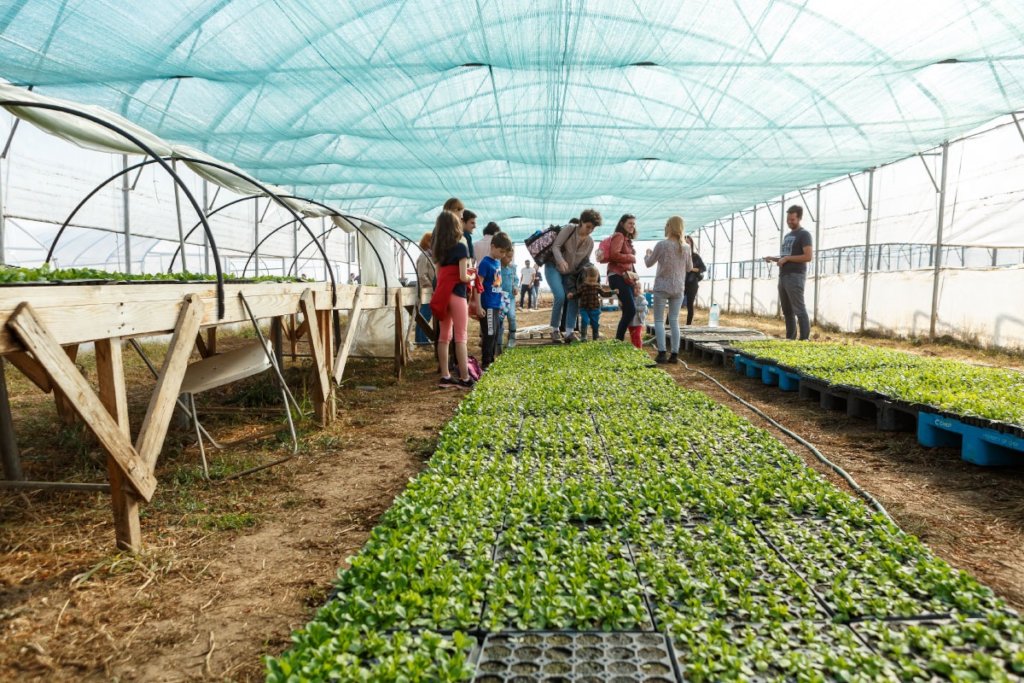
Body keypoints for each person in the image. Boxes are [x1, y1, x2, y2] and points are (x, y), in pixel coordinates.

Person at [429, 210, 474, 388]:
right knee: (461, 336)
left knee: (443, 336)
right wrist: (472, 277)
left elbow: (439, 275)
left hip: (443, 294)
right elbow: (463, 276)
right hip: (457, 294)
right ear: (456, 226)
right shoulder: (461, 247)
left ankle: (445, 376)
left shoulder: (438, 250)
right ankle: (464, 378)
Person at [645, 216, 692, 364]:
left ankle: (662, 352)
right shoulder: (686, 247)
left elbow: (648, 263)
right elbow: (690, 268)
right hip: (678, 287)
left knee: (659, 320)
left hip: (662, 287)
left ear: (669, 227)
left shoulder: (662, 245)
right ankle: (675, 354)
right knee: (674, 320)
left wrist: (647, 254)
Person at [547, 210, 600, 343]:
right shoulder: (570, 229)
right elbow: (556, 246)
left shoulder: (590, 242)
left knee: (573, 297)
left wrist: (591, 273)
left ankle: (569, 332)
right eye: (588, 226)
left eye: (593, 228)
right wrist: (560, 260)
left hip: (570, 274)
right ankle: (554, 329)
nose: (590, 230)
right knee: (560, 296)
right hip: (554, 267)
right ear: (581, 222)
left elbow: (585, 261)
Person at [764, 205, 814, 340]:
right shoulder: (787, 236)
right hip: (783, 276)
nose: (790, 222)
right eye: (788, 220)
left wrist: (786, 258)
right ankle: (790, 339)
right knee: (787, 311)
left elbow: (808, 256)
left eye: (792, 220)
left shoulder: (804, 235)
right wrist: (773, 259)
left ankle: (804, 340)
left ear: (799, 218)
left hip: (795, 276)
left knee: (799, 310)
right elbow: (786, 257)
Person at [476, 232, 512, 369]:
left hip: (497, 304)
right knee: (489, 334)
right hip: (488, 305)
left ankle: (491, 359)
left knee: (496, 332)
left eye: (505, 252)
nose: (503, 255)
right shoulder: (485, 263)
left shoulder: (497, 262)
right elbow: (478, 286)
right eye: (501, 251)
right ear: (492, 246)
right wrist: (479, 306)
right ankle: (486, 363)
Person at [606, 213, 638, 342]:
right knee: (630, 309)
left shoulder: (626, 239)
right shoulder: (619, 236)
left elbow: (630, 265)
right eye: (630, 223)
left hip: (625, 277)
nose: (632, 226)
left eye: (634, 224)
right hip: (617, 275)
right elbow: (614, 255)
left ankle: (619, 340)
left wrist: (636, 280)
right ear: (622, 224)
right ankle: (618, 340)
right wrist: (631, 257)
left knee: (628, 309)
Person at [567, 265, 614, 341]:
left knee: (595, 324)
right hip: (584, 308)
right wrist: (572, 295)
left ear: (596, 278)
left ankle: (596, 336)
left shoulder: (597, 286)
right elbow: (577, 294)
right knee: (584, 321)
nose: (592, 283)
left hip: (595, 308)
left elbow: (603, 294)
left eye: (593, 280)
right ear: (585, 278)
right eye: (590, 281)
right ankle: (583, 336)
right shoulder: (583, 286)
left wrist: (612, 292)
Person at [414, 232, 436, 346]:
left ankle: (422, 338)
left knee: (427, 313)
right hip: (426, 289)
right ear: (428, 242)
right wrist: (430, 287)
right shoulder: (424, 256)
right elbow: (422, 274)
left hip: (430, 289)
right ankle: (421, 339)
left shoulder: (432, 256)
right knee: (425, 313)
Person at [496, 248, 519, 352]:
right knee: (500, 320)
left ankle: (512, 337)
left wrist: (515, 287)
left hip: (511, 297)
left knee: (512, 316)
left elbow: (516, 280)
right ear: (502, 254)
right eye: (508, 256)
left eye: (511, 257)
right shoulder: (497, 267)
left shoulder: (512, 268)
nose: (510, 259)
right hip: (499, 298)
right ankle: (499, 342)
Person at [683, 235, 706, 326]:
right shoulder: (678, 255)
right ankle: (667, 325)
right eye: (685, 242)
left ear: (691, 244)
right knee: (674, 305)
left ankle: (688, 325)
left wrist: (692, 269)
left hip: (692, 283)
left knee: (690, 305)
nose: (687, 243)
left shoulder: (695, 256)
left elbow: (703, 268)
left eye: (688, 242)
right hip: (680, 283)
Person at [627, 279, 647, 349]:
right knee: (632, 335)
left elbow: (643, 308)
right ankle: (634, 348)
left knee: (637, 335)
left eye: (639, 288)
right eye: (635, 288)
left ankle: (639, 348)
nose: (638, 290)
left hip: (638, 321)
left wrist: (633, 307)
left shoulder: (641, 298)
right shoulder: (629, 298)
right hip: (630, 322)